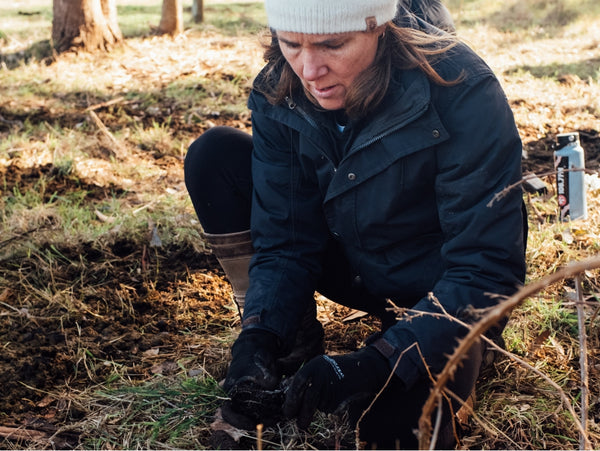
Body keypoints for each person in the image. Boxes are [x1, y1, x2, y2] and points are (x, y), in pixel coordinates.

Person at [184, 0, 527, 448]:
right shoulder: (280, 86)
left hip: (439, 293)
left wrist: (379, 361)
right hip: (350, 264)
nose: (309, 70)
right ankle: (290, 347)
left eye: (333, 44)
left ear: (380, 29)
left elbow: (485, 269)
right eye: (290, 44)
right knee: (216, 155)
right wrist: (261, 333)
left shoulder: (462, 87)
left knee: (393, 433)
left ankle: (424, 355)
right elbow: (285, 239)